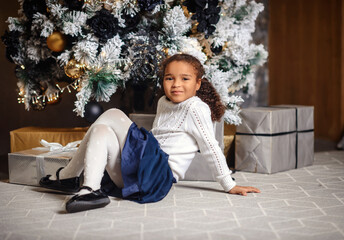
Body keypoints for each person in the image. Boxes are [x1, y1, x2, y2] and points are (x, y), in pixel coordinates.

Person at [39, 53, 260, 213]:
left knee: (114, 113)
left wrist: (228, 184)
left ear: (197, 84)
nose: (176, 84)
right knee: (101, 128)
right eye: (169, 78)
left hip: (159, 175)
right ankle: (90, 190)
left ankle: (67, 176)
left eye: (185, 78)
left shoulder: (195, 107)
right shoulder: (164, 102)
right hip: (141, 175)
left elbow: (211, 146)